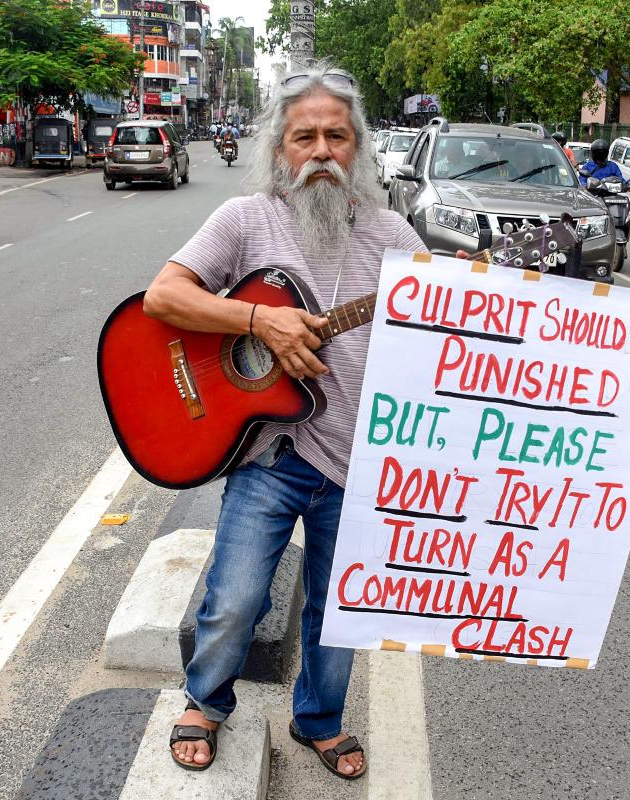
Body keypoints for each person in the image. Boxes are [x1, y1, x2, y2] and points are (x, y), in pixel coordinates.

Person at [142, 62, 426, 780]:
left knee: (338, 616)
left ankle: (320, 721)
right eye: (306, 136)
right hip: (269, 455)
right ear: (280, 148)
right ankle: (205, 700)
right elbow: (163, 298)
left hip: (360, 462)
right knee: (235, 596)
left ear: (358, 148)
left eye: (337, 135)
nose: (323, 150)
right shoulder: (244, 220)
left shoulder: (393, 232)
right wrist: (256, 320)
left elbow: (447, 327)